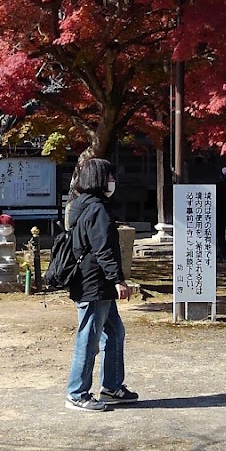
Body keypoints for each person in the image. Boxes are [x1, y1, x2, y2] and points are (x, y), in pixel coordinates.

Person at [65, 157, 138, 411]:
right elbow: (103, 250)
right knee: (89, 338)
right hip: (94, 284)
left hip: (95, 283)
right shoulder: (97, 209)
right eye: (109, 177)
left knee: (115, 332)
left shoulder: (81, 205)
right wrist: (119, 280)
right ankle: (77, 393)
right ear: (98, 179)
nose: (113, 182)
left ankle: (112, 386)